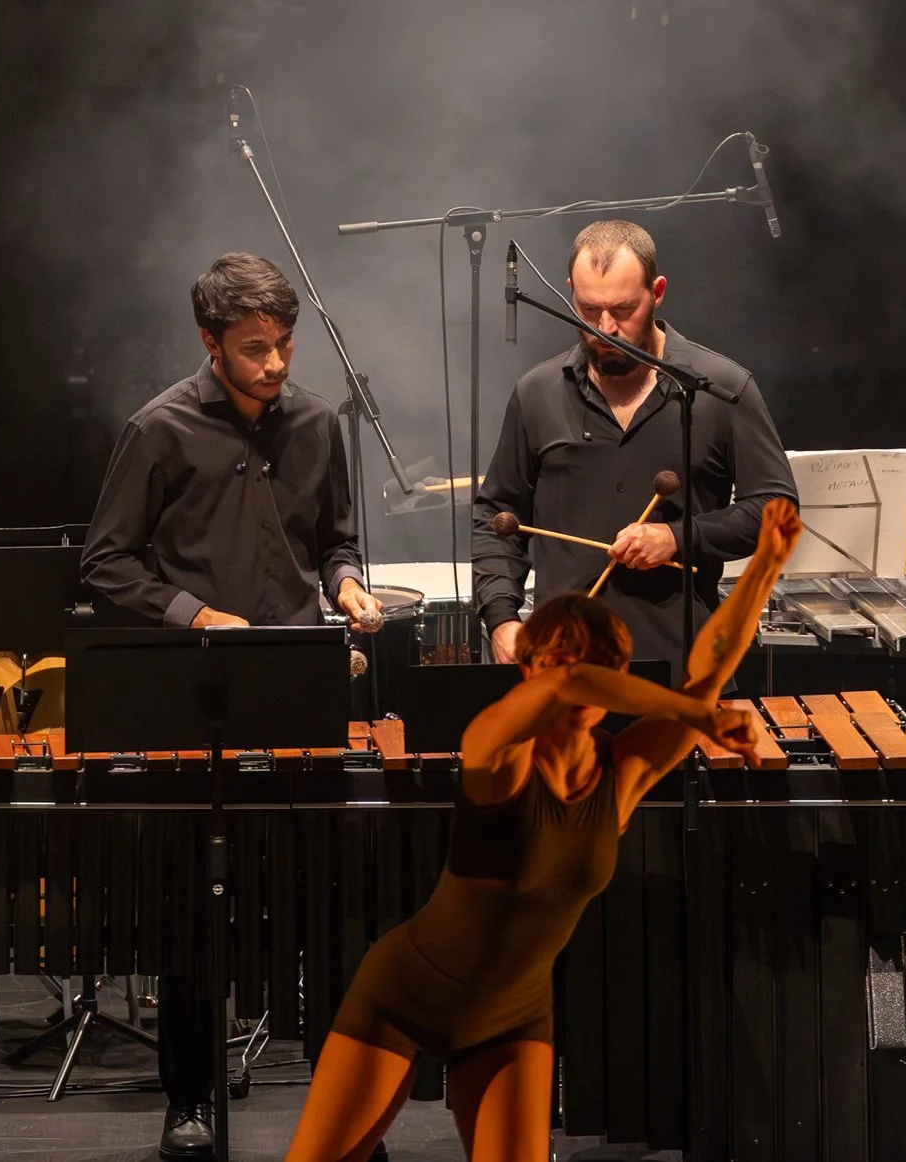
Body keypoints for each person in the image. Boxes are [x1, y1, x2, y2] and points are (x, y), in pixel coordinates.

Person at [287, 498, 801, 1162]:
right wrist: (694, 714)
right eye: (553, 665)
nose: (571, 681)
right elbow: (575, 690)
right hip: (404, 998)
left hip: (513, 1017)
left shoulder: (623, 770)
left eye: (592, 668)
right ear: (527, 670)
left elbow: (709, 673)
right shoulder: (494, 748)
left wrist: (761, 568)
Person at [80, 251, 388, 1160]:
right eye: (255, 348)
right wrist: (195, 613)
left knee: (325, 905)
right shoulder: (159, 430)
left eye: (284, 345)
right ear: (210, 344)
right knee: (192, 908)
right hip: (201, 698)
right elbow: (105, 564)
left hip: (298, 686)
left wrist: (349, 586)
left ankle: (342, 1106)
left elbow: (334, 542)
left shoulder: (318, 425)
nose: (277, 365)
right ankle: (189, 1101)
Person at [473, 219, 797, 667]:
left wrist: (678, 538)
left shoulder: (718, 389)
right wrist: (502, 618)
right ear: (570, 292)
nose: (606, 328)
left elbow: (776, 511)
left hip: (683, 671)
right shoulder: (537, 393)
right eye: (588, 310)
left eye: (624, 310)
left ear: (657, 292)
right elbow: (494, 516)